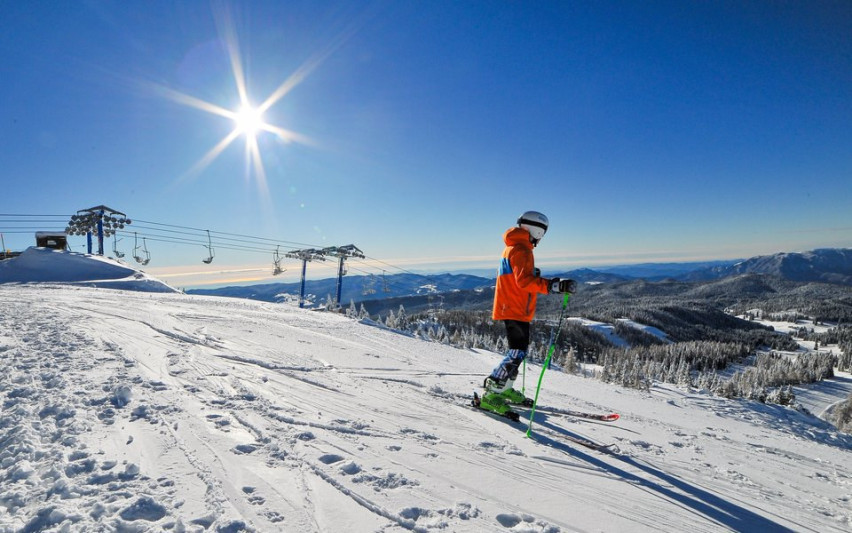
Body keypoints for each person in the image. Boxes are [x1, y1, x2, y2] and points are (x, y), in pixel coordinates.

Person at [479, 210, 576, 416]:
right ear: (538, 231)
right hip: (514, 308)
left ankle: (503, 388)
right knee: (516, 352)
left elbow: (518, 279)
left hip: (513, 307)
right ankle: (492, 393)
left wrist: (539, 278)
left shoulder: (513, 248)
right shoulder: (522, 250)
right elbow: (524, 282)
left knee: (519, 351)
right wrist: (553, 286)